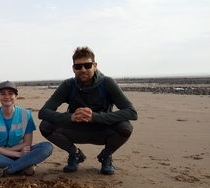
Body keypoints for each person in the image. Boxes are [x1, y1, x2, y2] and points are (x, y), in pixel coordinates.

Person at [38, 47, 138, 175]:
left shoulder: (107, 83)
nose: (83, 70)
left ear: (95, 66)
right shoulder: (68, 85)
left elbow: (131, 112)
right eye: (78, 66)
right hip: (76, 130)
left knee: (125, 127)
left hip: (102, 131)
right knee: (46, 126)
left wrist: (95, 117)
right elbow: (44, 112)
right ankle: (75, 154)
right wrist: (70, 117)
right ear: (73, 68)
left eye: (87, 65)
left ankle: (106, 156)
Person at [0, 81, 53, 177]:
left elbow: (27, 143)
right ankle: (22, 167)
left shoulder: (26, 115)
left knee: (47, 147)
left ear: (16, 96)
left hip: (21, 151)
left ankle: (7, 170)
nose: (7, 96)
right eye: (3, 94)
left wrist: (18, 152)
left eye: (11, 93)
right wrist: (18, 155)